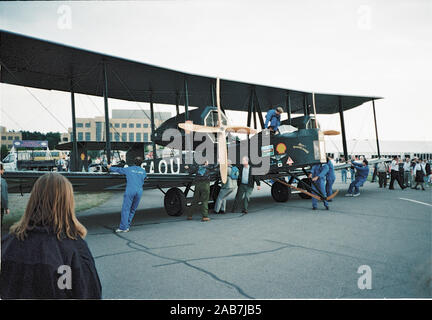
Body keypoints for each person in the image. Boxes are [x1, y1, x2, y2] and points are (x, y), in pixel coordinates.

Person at [0, 172, 101, 299]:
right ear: (67, 203)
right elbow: (91, 292)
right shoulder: (75, 249)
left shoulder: (8, 243)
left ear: (33, 199)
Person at [108, 157, 147, 232]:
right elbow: (145, 178)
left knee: (126, 209)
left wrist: (110, 167)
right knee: (132, 209)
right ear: (141, 163)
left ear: (134, 162)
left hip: (130, 190)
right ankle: (127, 226)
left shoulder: (129, 169)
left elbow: (118, 170)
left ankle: (123, 227)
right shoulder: (143, 171)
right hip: (139, 191)